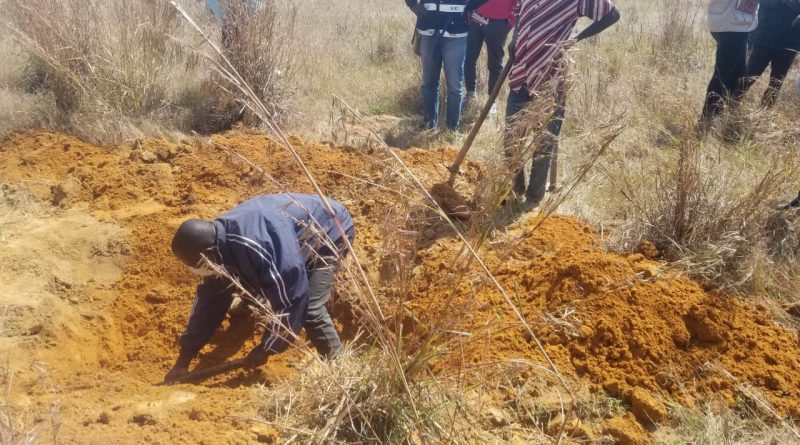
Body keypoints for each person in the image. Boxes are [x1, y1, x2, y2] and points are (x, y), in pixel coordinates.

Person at [163, 193, 355, 383]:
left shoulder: (259, 246)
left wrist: (267, 348)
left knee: (311, 308)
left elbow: (293, 299)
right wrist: (184, 359)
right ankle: (252, 304)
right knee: (230, 281)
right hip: (286, 237)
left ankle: (340, 369)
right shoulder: (217, 245)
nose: (197, 270)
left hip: (330, 229)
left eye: (197, 264)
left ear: (209, 254)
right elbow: (209, 303)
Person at [505, 0, 620, 212]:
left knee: (544, 143)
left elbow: (612, 15)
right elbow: (520, 12)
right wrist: (515, 38)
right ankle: (516, 187)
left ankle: (534, 197)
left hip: (550, 81)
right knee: (511, 138)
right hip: (520, 75)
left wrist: (576, 39)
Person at [406, 0, 470, 132]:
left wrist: (469, 6)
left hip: (456, 33)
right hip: (429, 31)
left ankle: (452, 129)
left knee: (454, 86)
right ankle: (429, 124)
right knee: (428, 83)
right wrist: (412, 5)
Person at [698, 0, 760, 132]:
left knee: (736, 74)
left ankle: (722, 116)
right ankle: (707, 120)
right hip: (731, 24)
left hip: (735, 23)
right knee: (723, 75)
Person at [740, 0, 800, 107]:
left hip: (791, 41)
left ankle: (764, 114)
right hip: (766, 37)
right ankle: (731, 104)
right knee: (750, 75)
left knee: (776, 82)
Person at [462, 0, 517, 112]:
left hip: (499, 23)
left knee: (495, 64)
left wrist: (509, 23)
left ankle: (491, 102)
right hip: (476, 18)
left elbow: (518, 4)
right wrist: (468, 11)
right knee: (469, 58)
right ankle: (470, 95)